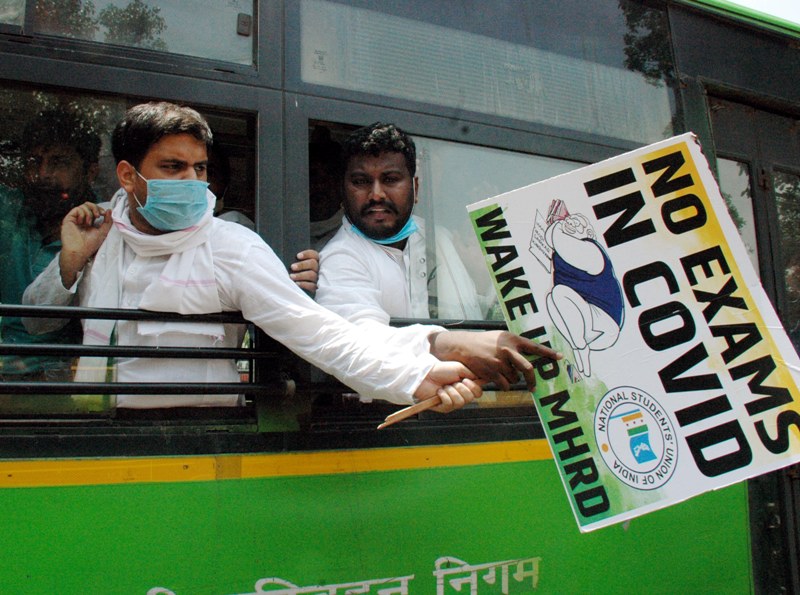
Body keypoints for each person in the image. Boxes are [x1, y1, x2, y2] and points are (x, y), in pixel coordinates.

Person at [23, 101, 482, 412]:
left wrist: (412, 377)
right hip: (93, 432)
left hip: (201, 444)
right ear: (127, 175)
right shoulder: (97, 230)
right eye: (172, 167)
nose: (191, 181)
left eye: (198, 168)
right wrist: (72, 262)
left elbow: (319, 334)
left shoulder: (230, 245)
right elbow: (33, 323)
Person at [316, 122, 561, 392]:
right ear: (344, 190)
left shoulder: (438, 237)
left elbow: (479, 311)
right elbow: (359, 344)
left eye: (390, 179)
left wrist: (480, 277)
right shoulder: (340, 257)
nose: (376, 194)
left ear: (416, 188)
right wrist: (455, 345)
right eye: (361, 182)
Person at [0, 107, 102, 382]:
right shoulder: (10, 211)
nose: (43, 174)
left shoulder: (104, 229)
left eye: (59, 162)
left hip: (58, 379)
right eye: (35, 161)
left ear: (90, 171)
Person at [545, 213, 624, 378]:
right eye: (570, 220)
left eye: (578, 223)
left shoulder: (590, 251)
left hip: (606, 323)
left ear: (587, 233)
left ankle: (580, 353)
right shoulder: (562, 252)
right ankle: (580, 364)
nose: (571, 222)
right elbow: (554, 239)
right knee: (551, 299)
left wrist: (558, 224)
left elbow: (558, 239)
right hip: (586, 319)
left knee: (560, 293)